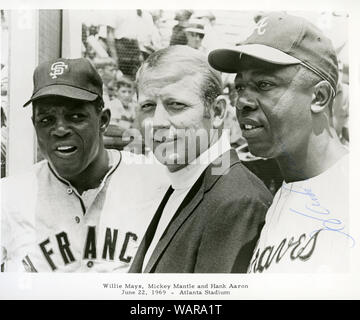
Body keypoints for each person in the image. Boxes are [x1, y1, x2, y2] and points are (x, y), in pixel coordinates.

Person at [208, 12, 352, 273]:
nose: (242, 102)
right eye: (240, 87)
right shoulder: (284, 191)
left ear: (318, 97)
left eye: (263, 84)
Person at [1, 58, 168, 272]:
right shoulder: (8, 197)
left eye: (76, 116)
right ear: (34, 124)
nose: (60, 129)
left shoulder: (156, 183)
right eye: (46, 120)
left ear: (103, 120)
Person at [129, 45, 272, 273]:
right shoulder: (184, 181)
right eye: (147, 106)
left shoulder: (237, 200)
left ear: (217, 112)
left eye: (176, 105)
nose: (157, 121)